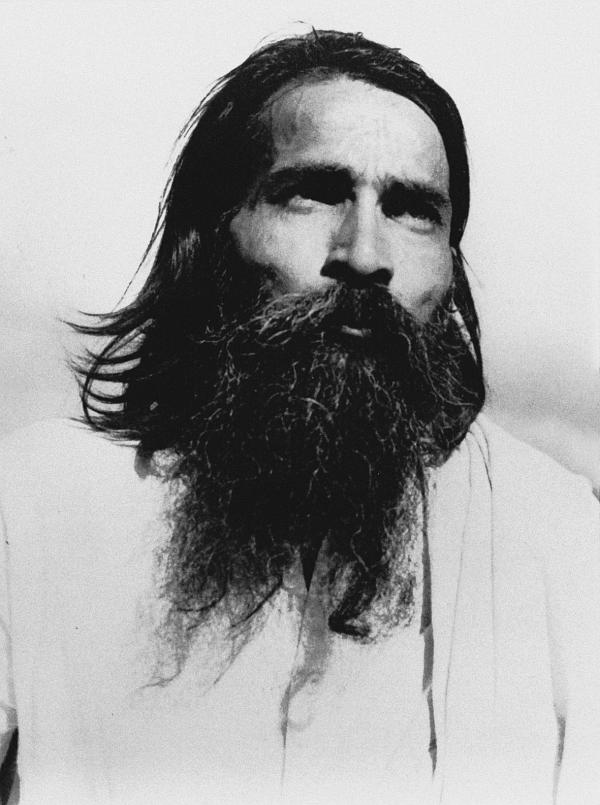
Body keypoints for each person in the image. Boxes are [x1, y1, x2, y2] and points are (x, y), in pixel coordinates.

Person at [0, 29, 598, 805]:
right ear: (213, 237)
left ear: (450, 271)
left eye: (412, 209)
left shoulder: (557, 541)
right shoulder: (35, 510)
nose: (364, 252)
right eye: (313, 191)